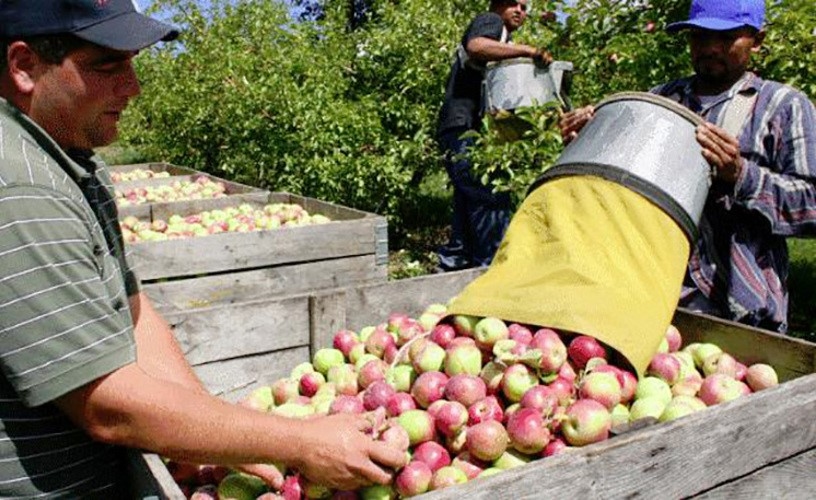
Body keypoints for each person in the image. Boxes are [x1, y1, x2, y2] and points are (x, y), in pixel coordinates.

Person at [0, 1, 405, 497]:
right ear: (24, 66)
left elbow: (130, 311)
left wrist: (211, 436)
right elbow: (106, 403)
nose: (133, 87)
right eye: (108, 66)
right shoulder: (21, 188)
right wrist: (296, 441)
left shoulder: (69, 156)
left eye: (131, 62)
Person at [559, 0, 816, 333]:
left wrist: (741, 175)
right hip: (648, 294)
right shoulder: (660, 101)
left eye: (725, 38)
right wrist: (591, 139)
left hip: (739, 306)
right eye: (699, 37)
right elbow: (621, 186)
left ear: (758, 39)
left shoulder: (784, 106)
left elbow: (811, 205)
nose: (709, 48)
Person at [435, 0, 552, 272]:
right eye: (515, 4)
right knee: (491, 196)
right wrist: (529, 51)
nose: (521, 11)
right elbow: (476, 46)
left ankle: (452, 270)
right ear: (498, 4)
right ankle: (496, 272)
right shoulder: (491, 21)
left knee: (468, 202)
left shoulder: (503, 39)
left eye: (525, 7)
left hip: (457, 127)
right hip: (466, 128)